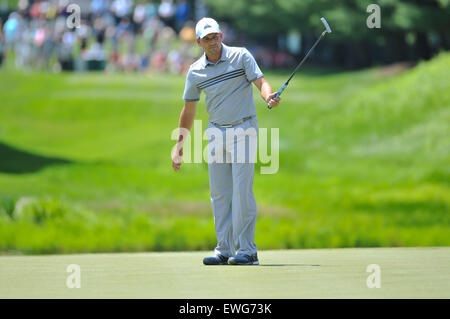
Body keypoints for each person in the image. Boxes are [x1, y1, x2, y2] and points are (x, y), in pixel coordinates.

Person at [171, 18, 280, 265]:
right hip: (216, 132)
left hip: (244, 127)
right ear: (198, 42)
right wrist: (179, 145)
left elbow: (261, 82)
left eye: (215, 36)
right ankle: (224, 249)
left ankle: (248, 251)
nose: (213, 41)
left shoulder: (241, 56)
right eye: (207, 38)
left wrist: (268, 97)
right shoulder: (196, 71)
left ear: (221, 34)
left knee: (242, 192)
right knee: (220, 193)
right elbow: (188, 110)